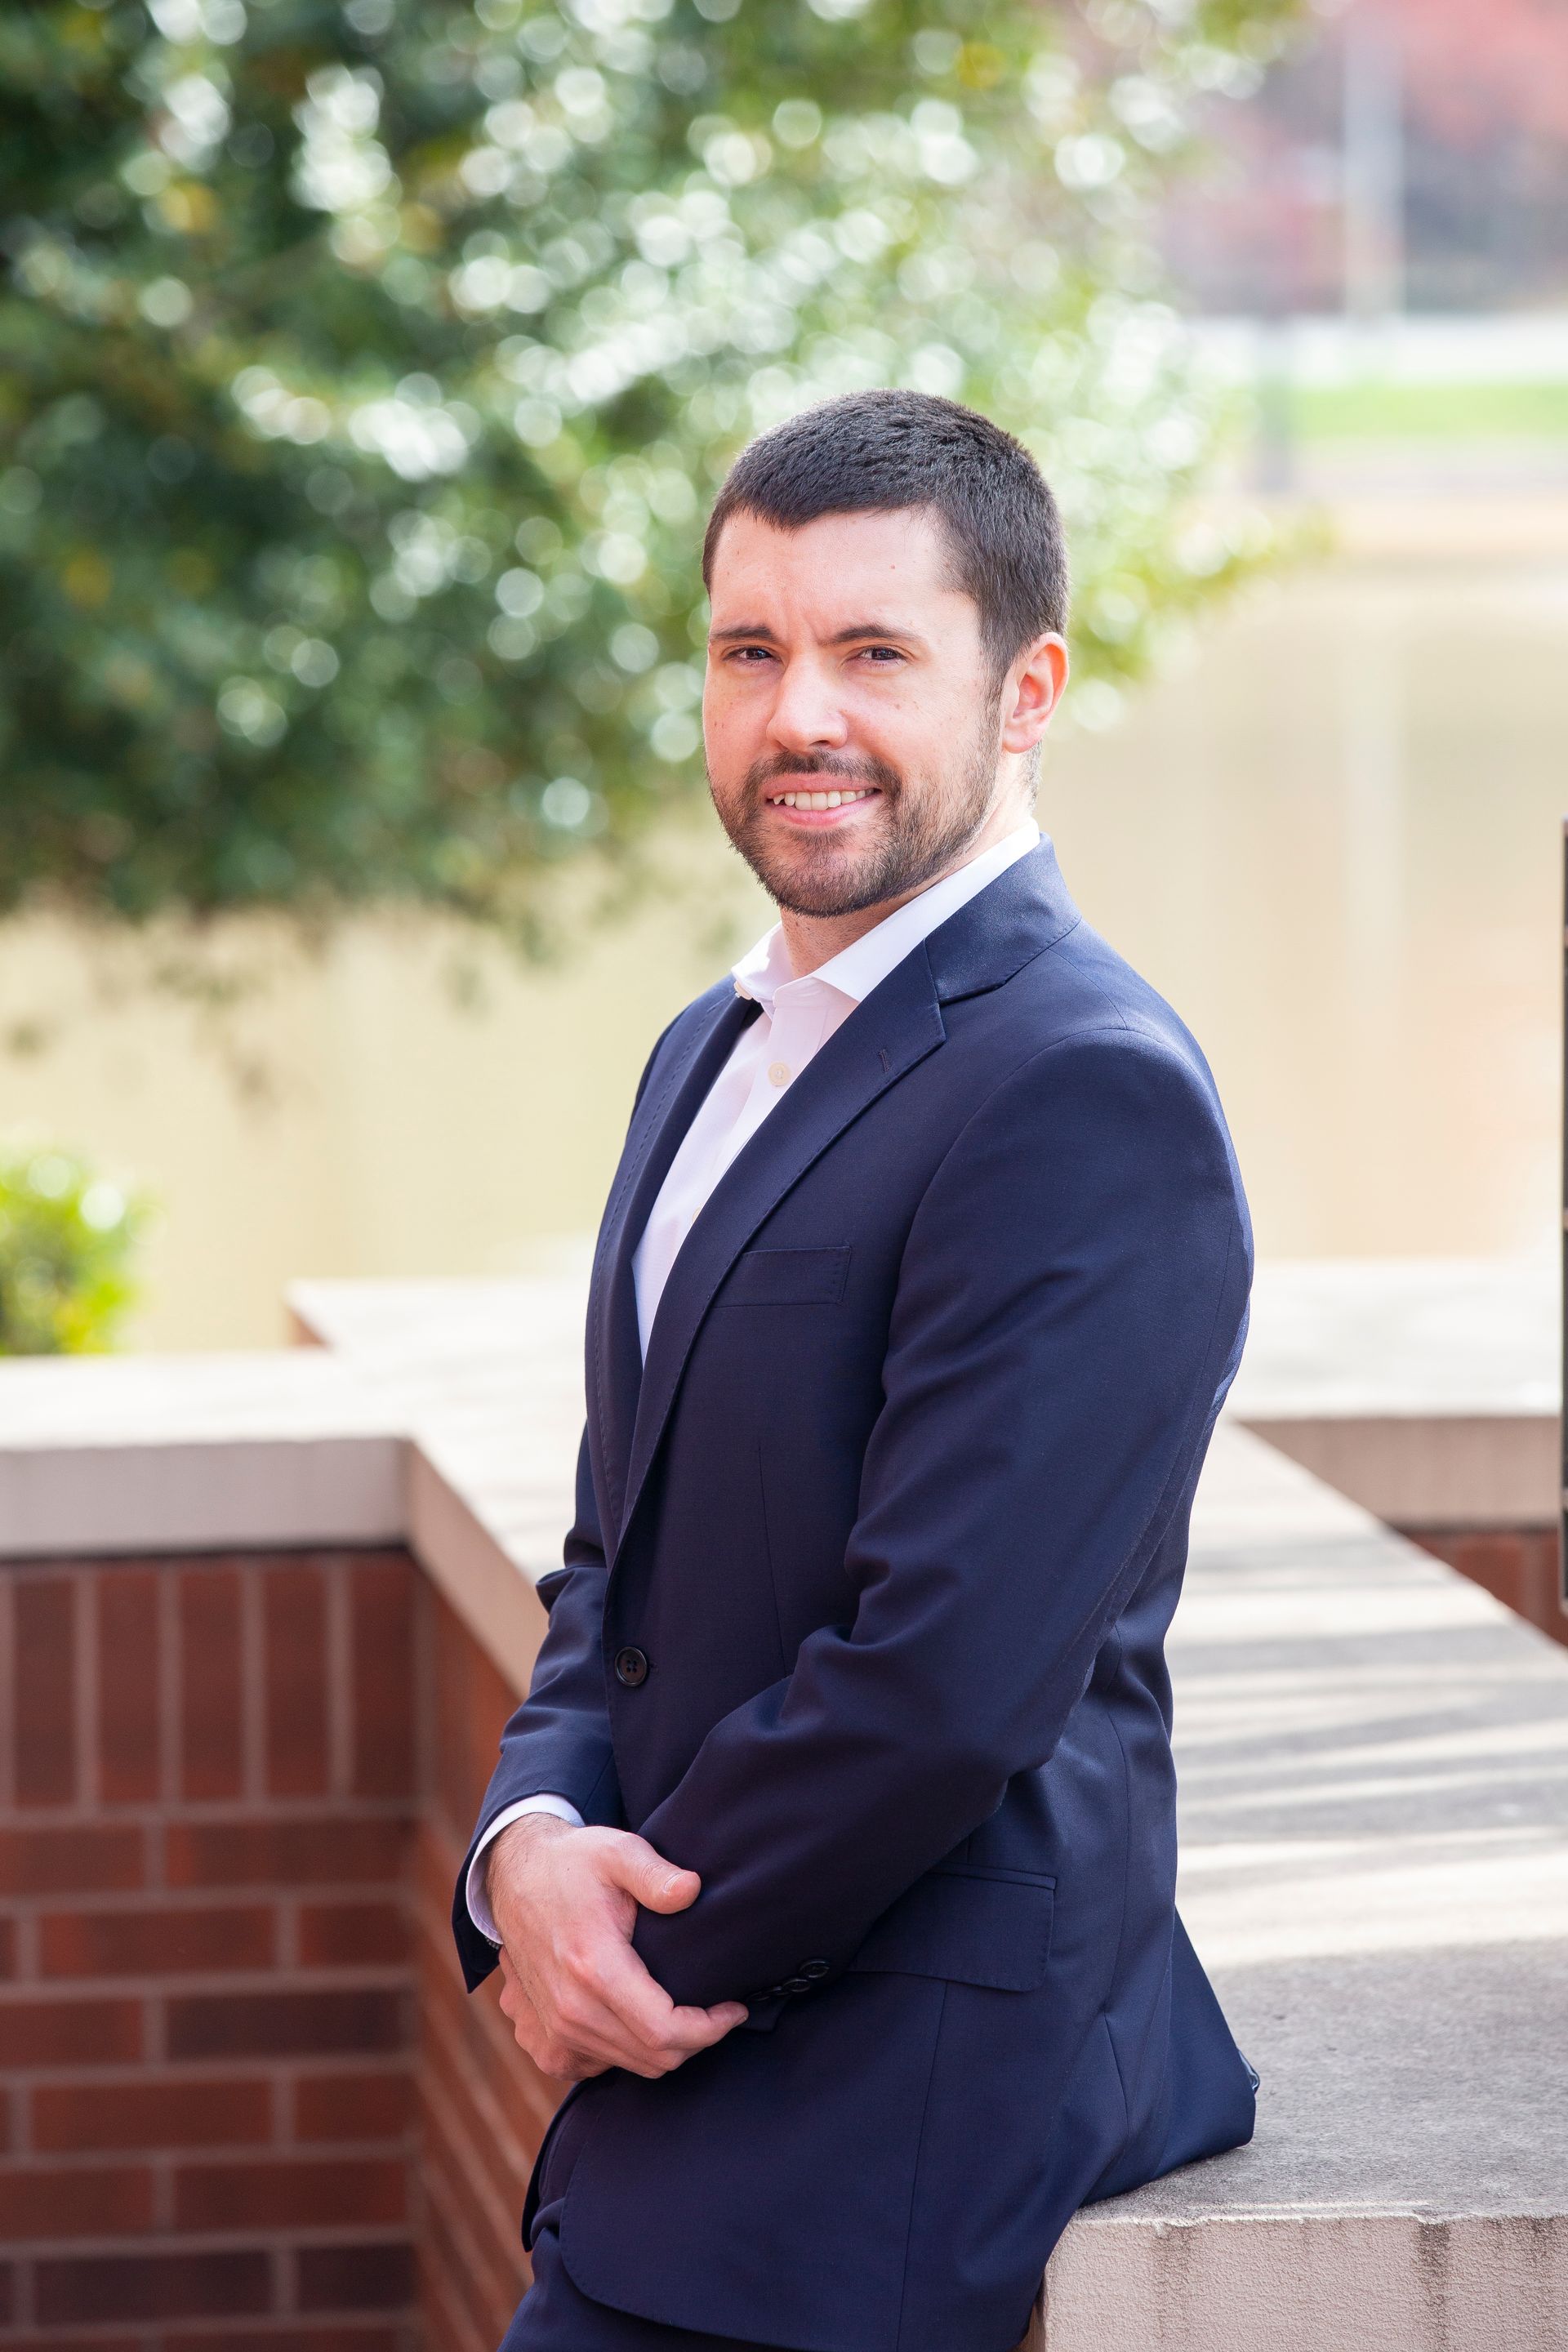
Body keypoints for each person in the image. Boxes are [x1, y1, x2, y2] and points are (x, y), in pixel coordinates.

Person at [451, 389, 1258, 2352]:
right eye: (751, 652)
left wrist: (624, 1955)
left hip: (897, 2116)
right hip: (690, 2088)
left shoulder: (1083, 1086)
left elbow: (942, 1682)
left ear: (1028, 688)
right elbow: (610, 1565)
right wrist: (529, 1849)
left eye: (875, 652)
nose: (798, 714)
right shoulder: (705, 1054)